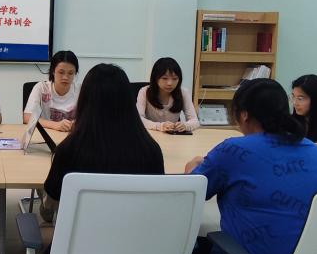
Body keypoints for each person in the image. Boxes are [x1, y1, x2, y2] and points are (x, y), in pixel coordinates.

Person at [186, 78, 317, 254]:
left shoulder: (233, 150)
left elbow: (192, 194)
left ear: (244, 115)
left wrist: (190, 169)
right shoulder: (313, 151)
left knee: (191, 252)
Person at [42, 63, 164, 208]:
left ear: (84, 100)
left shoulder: (69, 151)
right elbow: (157, 201)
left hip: (85, 223)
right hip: (134, 221)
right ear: (128, 100)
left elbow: (51, 206)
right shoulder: (151, 150)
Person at [137, 57, 200, 133]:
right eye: (164, 78)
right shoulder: (144, 92)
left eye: (174, 79)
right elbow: (138, 119)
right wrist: (160, 126)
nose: (170, 83)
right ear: (155, 78)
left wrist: (185, 125)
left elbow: (195, 121)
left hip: (173, 137)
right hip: (150, 135)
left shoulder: (183, 92)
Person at [23, 49, 79, 132]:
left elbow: (89, 118)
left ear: (75, 73)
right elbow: (27, 117)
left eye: (70, 73)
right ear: (53, 71)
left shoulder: (80, 90)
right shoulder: (41, 88)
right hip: (46, 136)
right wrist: (55, 125)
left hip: (71, 136)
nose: (65, 77)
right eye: (61, 72)